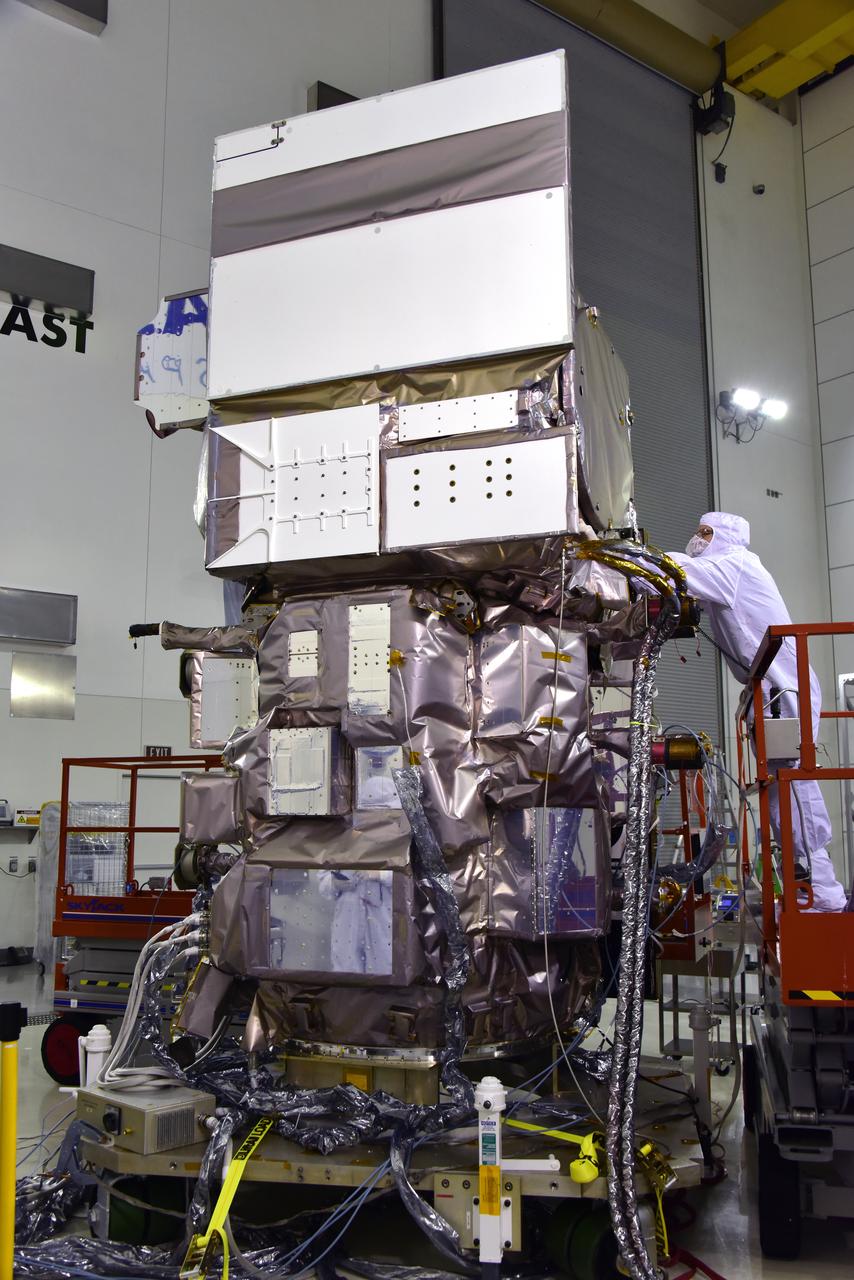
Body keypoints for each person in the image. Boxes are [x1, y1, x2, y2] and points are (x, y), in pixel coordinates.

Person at [668, 511, 847, 912]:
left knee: (795, 790)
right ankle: (808, 887)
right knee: (781, 795)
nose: (698, 538)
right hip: (768, 692)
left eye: (705, 532)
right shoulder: (727, 569)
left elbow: (682, 570)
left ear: (724, 536)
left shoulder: (734, 566)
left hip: (782, 691)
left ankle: (825, 893)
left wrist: (628, 556)